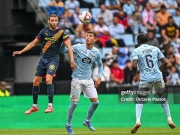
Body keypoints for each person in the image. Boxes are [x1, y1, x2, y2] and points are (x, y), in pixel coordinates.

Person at [12, 14, 76, 114]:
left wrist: (72, 60)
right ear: (48, 21)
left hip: (53, 60)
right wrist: (21, 52)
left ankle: (50, 106)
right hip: (43, 60)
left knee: (48, 79)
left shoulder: (61, 32)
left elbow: (69, 46)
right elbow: (33, 43)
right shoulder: (43, 31)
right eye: (52, 20)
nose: (54, 22)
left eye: (56, 20)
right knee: (35, 82)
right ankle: (34, 106)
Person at [131, 33, 176, 133]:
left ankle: (138, 121)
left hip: (145, 79)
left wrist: (134, 75)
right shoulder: (155, 49)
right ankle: (169, 119)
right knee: (162, 97)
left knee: (140, 99)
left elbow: (134, 65)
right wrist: (159, 71)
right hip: (158, 77)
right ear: (148, 40)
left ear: (138, 41)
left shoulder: (136, 50)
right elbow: (166, 62)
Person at [60, 31, 103, 134]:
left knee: (96, 102)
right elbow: (63, 50)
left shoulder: (96, 52)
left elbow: (100, 65)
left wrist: (99, 77)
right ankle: (68, 125)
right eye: (87, 35)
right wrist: (63, 42)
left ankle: (87, 120)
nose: (88, 37)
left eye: (90, 36)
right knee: (74, 103)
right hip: (77, 79)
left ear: (94, 39)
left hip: (88, 80)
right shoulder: (78, 47)